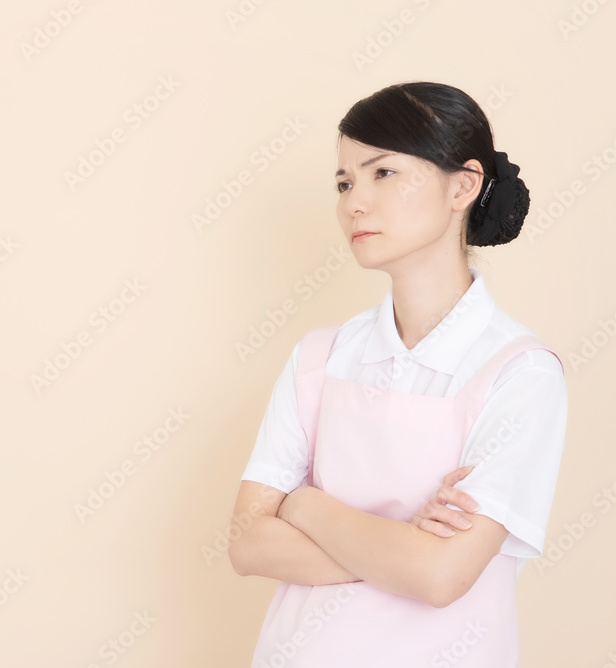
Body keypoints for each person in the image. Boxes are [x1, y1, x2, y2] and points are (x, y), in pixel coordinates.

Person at [227, 82, 569, 667]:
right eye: (344, 182)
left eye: (382, 173)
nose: (354, 202)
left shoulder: (521, 373)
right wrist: (400, 543)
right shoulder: (320, 355)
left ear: (463, 184)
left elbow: (439, 575)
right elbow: (246, 543)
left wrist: (304, 506)